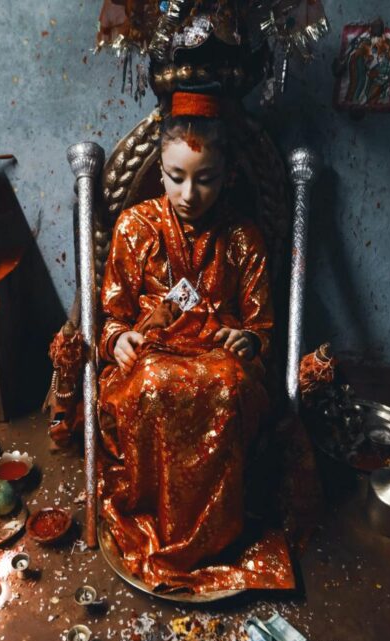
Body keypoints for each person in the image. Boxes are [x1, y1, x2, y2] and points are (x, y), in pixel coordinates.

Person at [97, 90, 275, 593]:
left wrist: (248, 341)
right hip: (152, 356)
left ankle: (216, 540)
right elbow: (110, 315)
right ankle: (166, 528)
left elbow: (261, 328)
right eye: (177, 177)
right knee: (152, 383)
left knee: (228, 388)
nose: (190, 193)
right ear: (159, 170)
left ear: (229, 176)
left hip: (218, 356)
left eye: (206, 179)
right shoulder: (136, 226)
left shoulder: (243, 238)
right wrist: (119, 339)